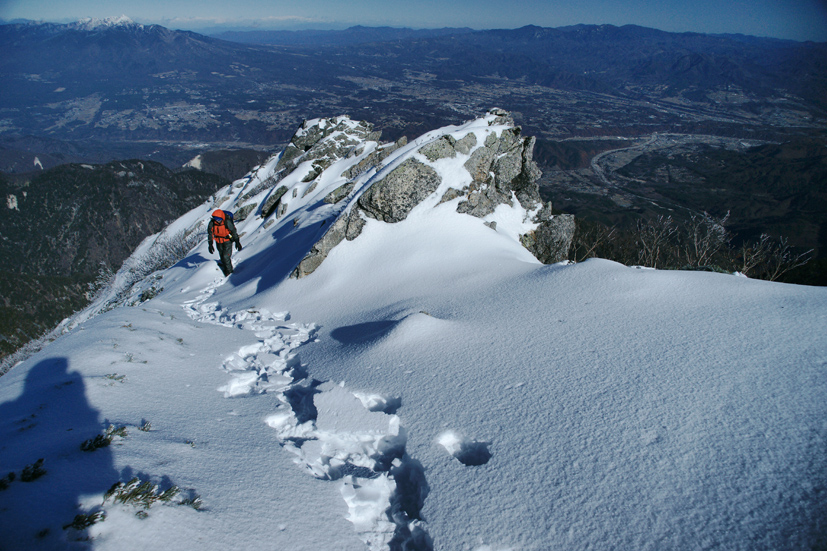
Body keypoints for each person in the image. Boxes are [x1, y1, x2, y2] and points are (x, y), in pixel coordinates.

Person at [207, 209, 242, 276]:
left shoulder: (227, 222)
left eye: (219, 220)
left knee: (226, 256)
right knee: (221, 254)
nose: (218, 221)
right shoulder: (212, 223)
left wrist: (237, 241)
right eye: (216, 220)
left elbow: (233, 232)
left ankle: (229, 272)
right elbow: (210, 234)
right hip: (218, 241)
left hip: (227, 241)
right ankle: (224, 265)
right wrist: (210, 244)